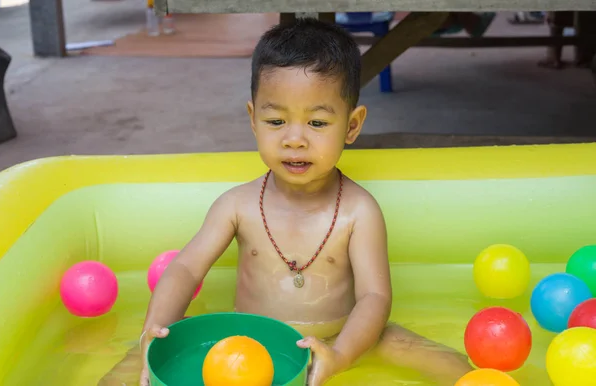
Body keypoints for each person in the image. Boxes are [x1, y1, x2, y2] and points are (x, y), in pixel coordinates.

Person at [98, 18, 473, 386]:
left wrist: (341, 354)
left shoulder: (359, 211)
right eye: (276, 121)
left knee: (434, 357)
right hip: (248, 343)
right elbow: (185, 270)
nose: (295, 140)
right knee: (138, 357)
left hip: (338, 337)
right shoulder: (236, 206)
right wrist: (154, 330)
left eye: (318, 123)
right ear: (253, 119)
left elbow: (374, 298)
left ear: (352, 125)